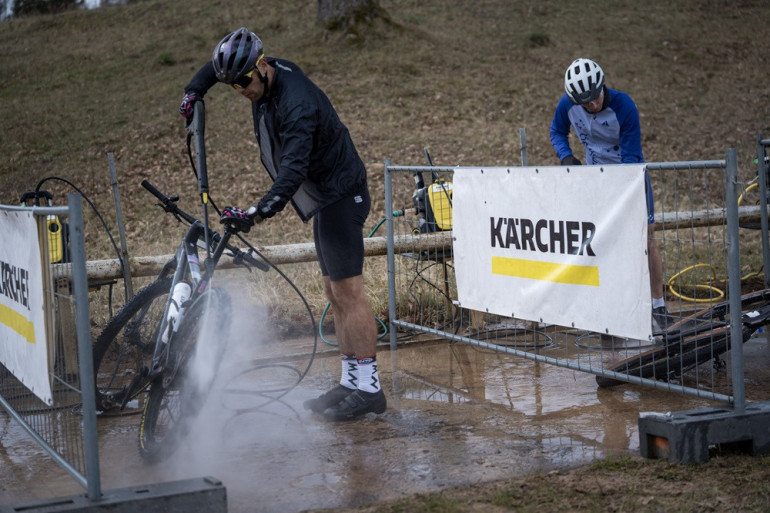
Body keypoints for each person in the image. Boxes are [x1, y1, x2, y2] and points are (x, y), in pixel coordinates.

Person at [178, 28, 386, 421]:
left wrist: (256, 212)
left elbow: (292, 171)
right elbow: (215, 68)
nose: (239, 90)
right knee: (333, 291)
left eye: (243, 81)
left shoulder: (297, 103)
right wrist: (194, 91)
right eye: (231, 84)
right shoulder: (263, 75)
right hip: (326, 196)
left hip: (342, 195)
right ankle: (350, 380)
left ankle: (370, 390)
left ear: (262, 66)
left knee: (350, 293)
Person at [549, 57, 671, 333]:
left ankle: (658, 304)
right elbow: (557, 131)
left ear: (603, 86)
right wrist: (566, 156)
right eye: (585, 103)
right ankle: (612, 303)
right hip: (596, 181)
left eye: (594, 98)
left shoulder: (623, 105)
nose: (592, 105)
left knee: (646, 237)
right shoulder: (568, 104)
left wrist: (621, 194)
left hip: (629, 176)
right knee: (602, 240)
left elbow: (630, 156)